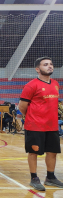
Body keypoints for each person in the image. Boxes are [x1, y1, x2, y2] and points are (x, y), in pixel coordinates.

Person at [18, 57, 63, 191]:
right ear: (37, 69)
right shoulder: (31, 85)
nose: (49, 66)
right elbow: (22, 106)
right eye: (45, 64)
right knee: (33, 152)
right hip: (35, 125)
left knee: (52, 152)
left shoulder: (56, 84)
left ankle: (50, 177)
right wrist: (33, 117)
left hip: (52, 126)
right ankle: (34, 178)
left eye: (51, 64)